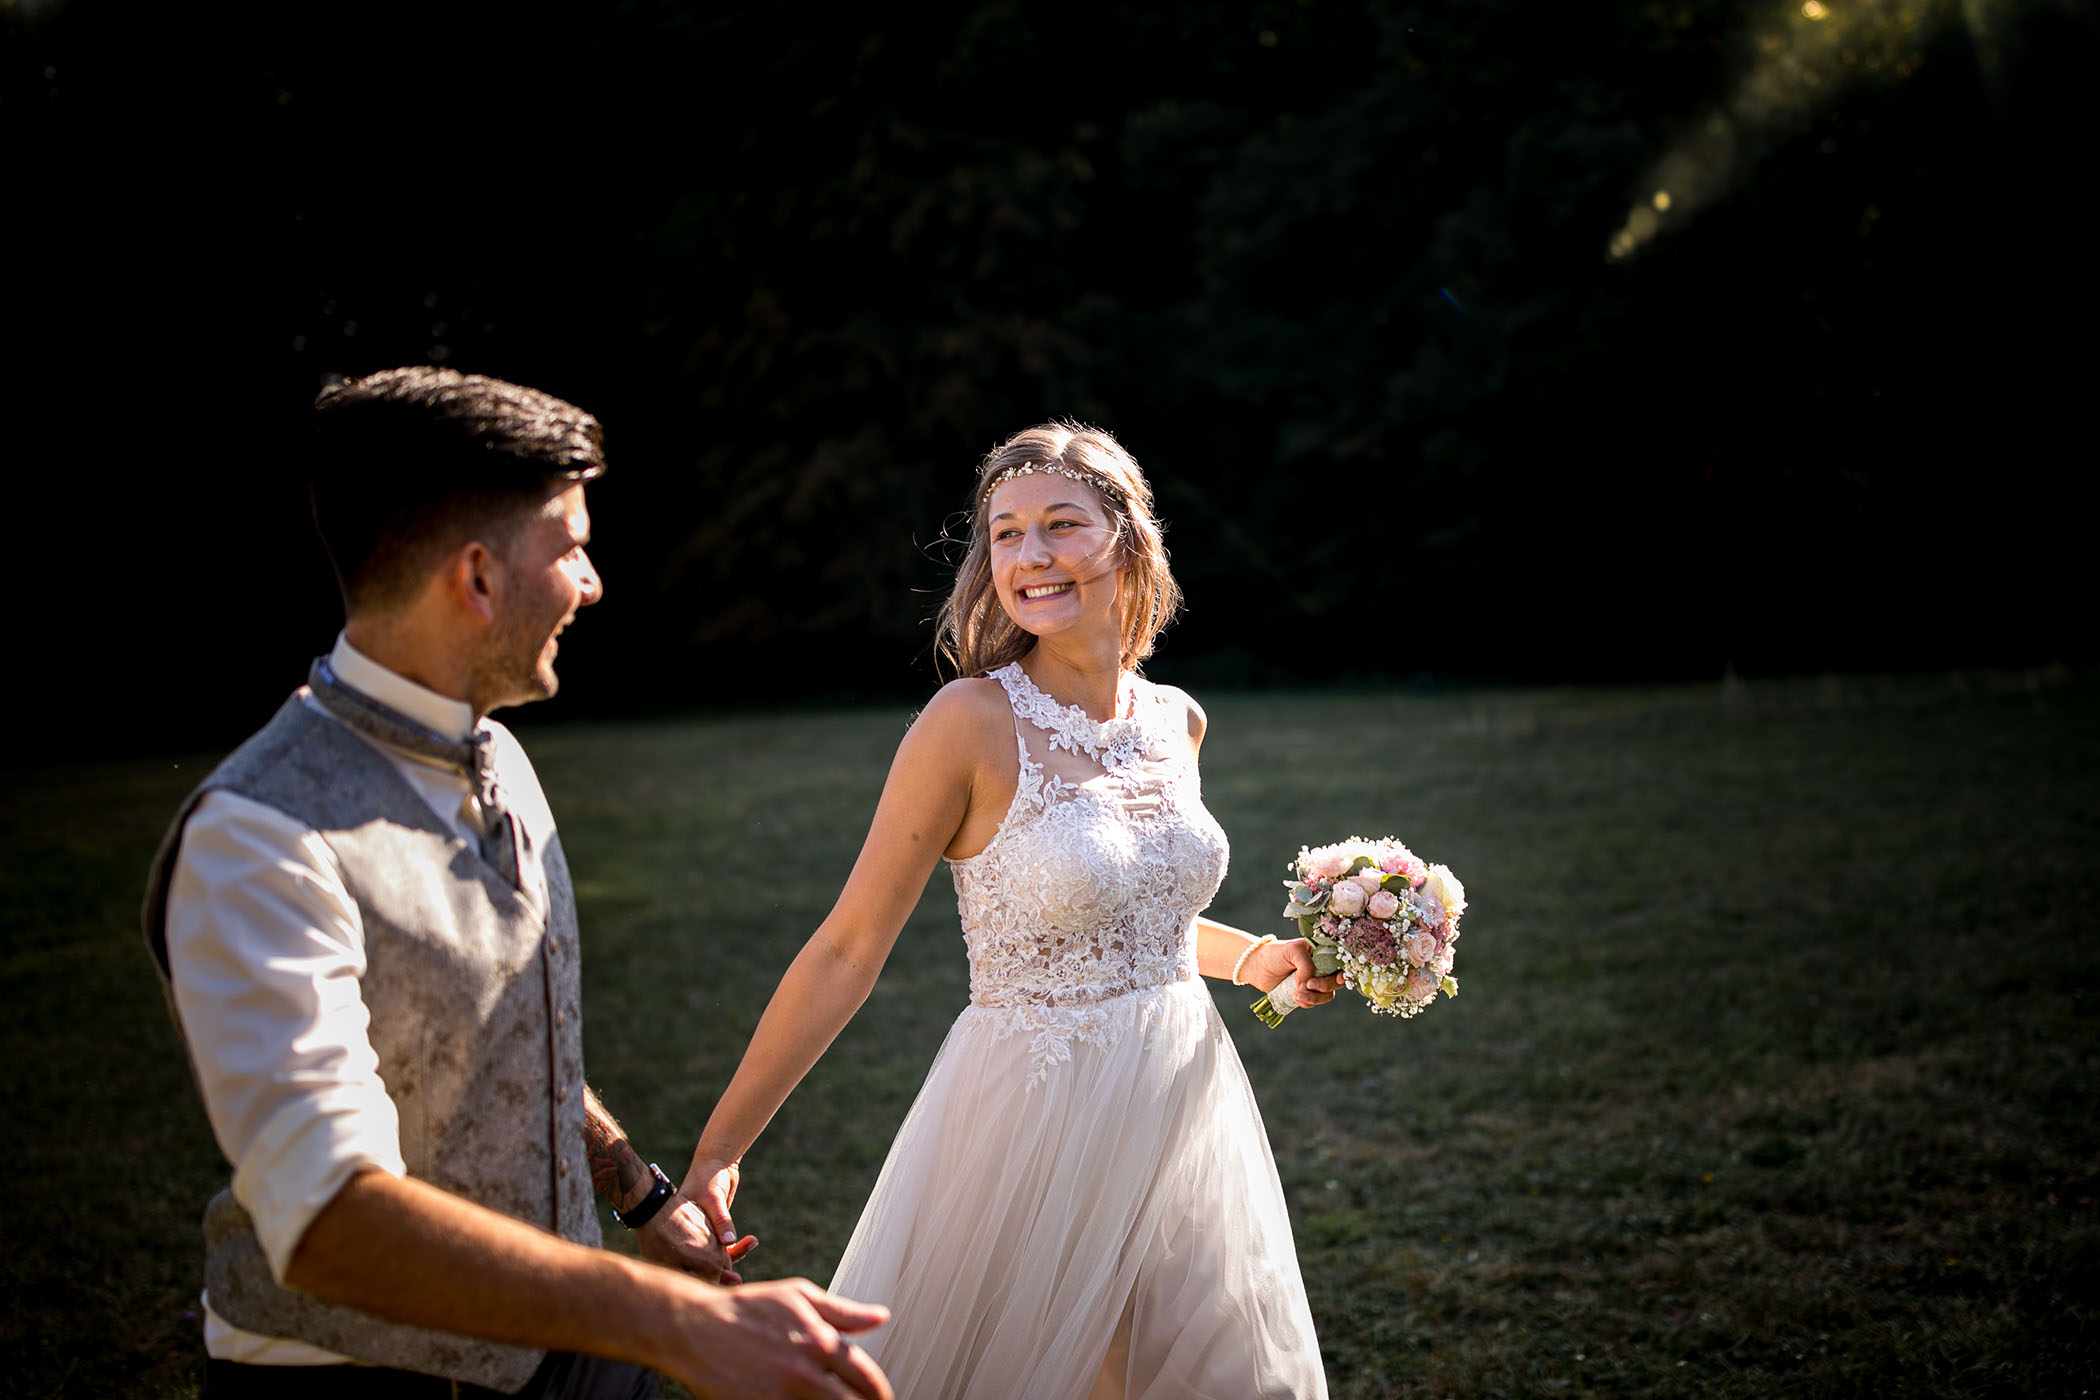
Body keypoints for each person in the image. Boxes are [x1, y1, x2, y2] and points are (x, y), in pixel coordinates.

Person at [142, 367, 893, 1400]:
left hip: (572, 1347)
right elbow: (327, 1222)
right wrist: (672, 1318)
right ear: (479, 578)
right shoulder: (260, 837)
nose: (591, 582)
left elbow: (505, 1028)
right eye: (572, 546)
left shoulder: (498, 753)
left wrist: (638, 1193)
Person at [678, 422, 1338, 1399]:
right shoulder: (969, 725)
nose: (1030, 556)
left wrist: (1255, 960)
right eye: (1006, 533)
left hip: (1181, 1100)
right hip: (1035, 1119)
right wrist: (718, 1150)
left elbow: (1130, 916)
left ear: (1128, 539)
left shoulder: (1176, 717)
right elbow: (848, 950)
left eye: (1061, 525)